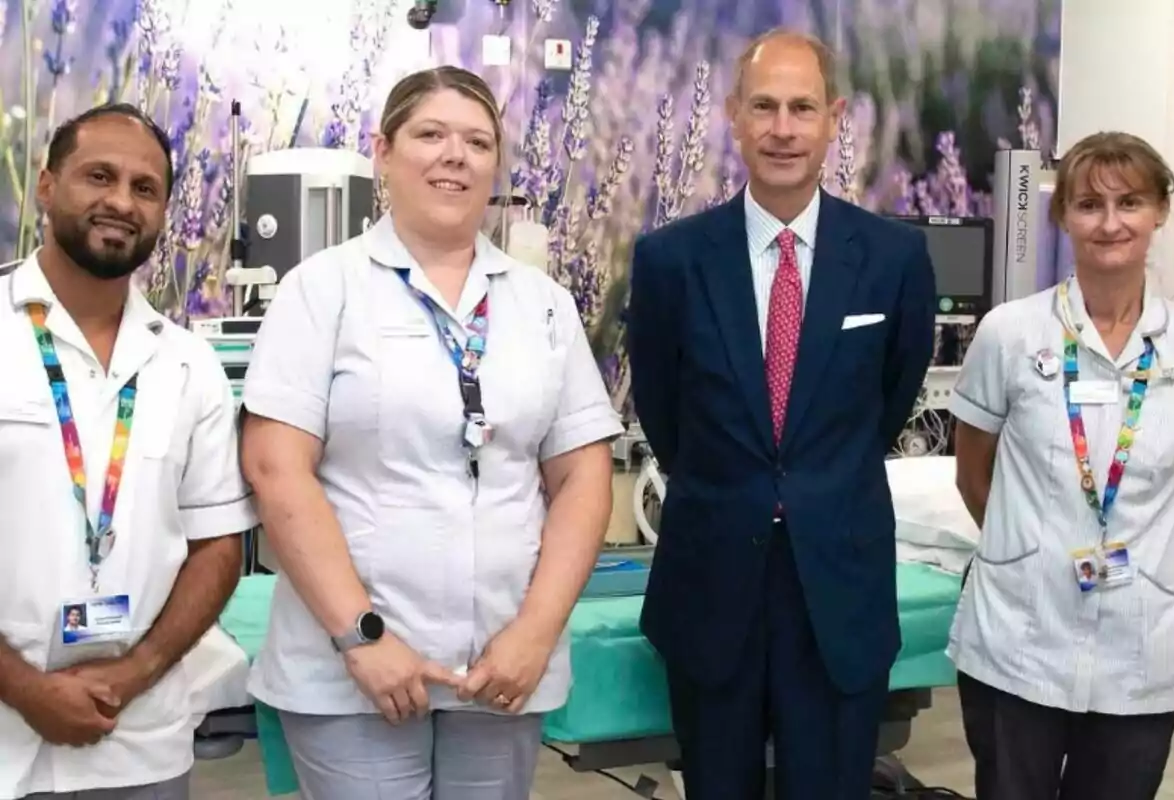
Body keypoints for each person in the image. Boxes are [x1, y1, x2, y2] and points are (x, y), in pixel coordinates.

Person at [240, 66, 623, 799]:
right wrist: (360, 636)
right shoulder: (322, 290)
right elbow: (275, 468)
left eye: (477, 142)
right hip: (352, 670)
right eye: (431, 134)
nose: (455, 156)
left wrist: (535, 632)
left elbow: (582, 476)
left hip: (501, 670)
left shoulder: (543, 304)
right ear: (383, 151)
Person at [627, 29, 936, 800]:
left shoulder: (893, 259)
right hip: (712, 582)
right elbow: (664, 416)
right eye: (764, 107)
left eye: (803, 108)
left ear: (835, 119)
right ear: (733, 115)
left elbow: (891, 399)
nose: (783, 129)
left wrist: (811, 482)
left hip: (838, 589)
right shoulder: (670, 262)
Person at [0, 104, 255, 800]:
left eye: (145, 188)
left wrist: (134, 673)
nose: (121, 201)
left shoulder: (189, 366)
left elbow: (216, 546)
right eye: (99, 176)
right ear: (47, 186)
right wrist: (22, 687)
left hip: (137, 739)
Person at [949, 131, 1174, 800]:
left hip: (1143, 639)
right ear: (1063, 216)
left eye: (1130, 202)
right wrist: (1031, 547)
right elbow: (972, 473)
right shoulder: (1010, 332)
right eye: (1089, 204)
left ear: (1160, 211)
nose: (1110, 223)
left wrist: (1142, 549)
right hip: (1020, 633)